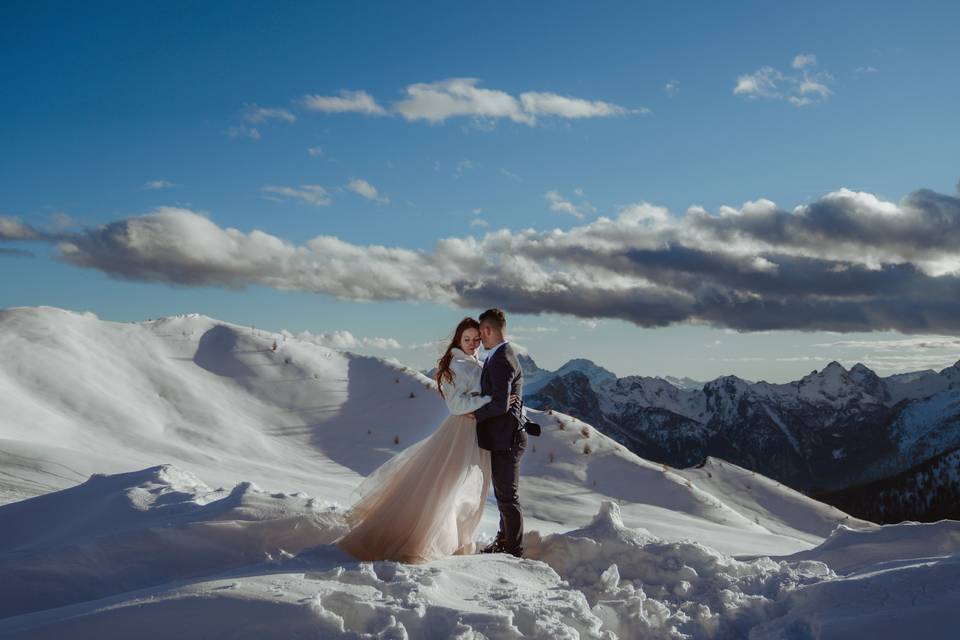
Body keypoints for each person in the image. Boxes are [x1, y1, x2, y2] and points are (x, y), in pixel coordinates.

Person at [335, 317, 518, 563]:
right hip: (461, 432)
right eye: (467, 339)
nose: (473, 343)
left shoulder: (474, 362)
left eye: (476, 339)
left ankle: (455, 539)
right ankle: (418, 538)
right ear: (457, 339)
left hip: (475, 431)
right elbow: (455, 405)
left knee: (466, 490)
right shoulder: (456, 364)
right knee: (443, 486)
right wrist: (491, 403)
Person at [474, 308, 527, 558]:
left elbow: (499, 404)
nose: (480, 340)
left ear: (488, 330)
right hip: (504, 437)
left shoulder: (502, 359)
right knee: (504, 495)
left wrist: (474, 414)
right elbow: (500, 402)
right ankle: (504, 539)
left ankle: (513, 550)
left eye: (481, 333)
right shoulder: (500, 355)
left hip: (507, 438)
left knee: (507, 496)